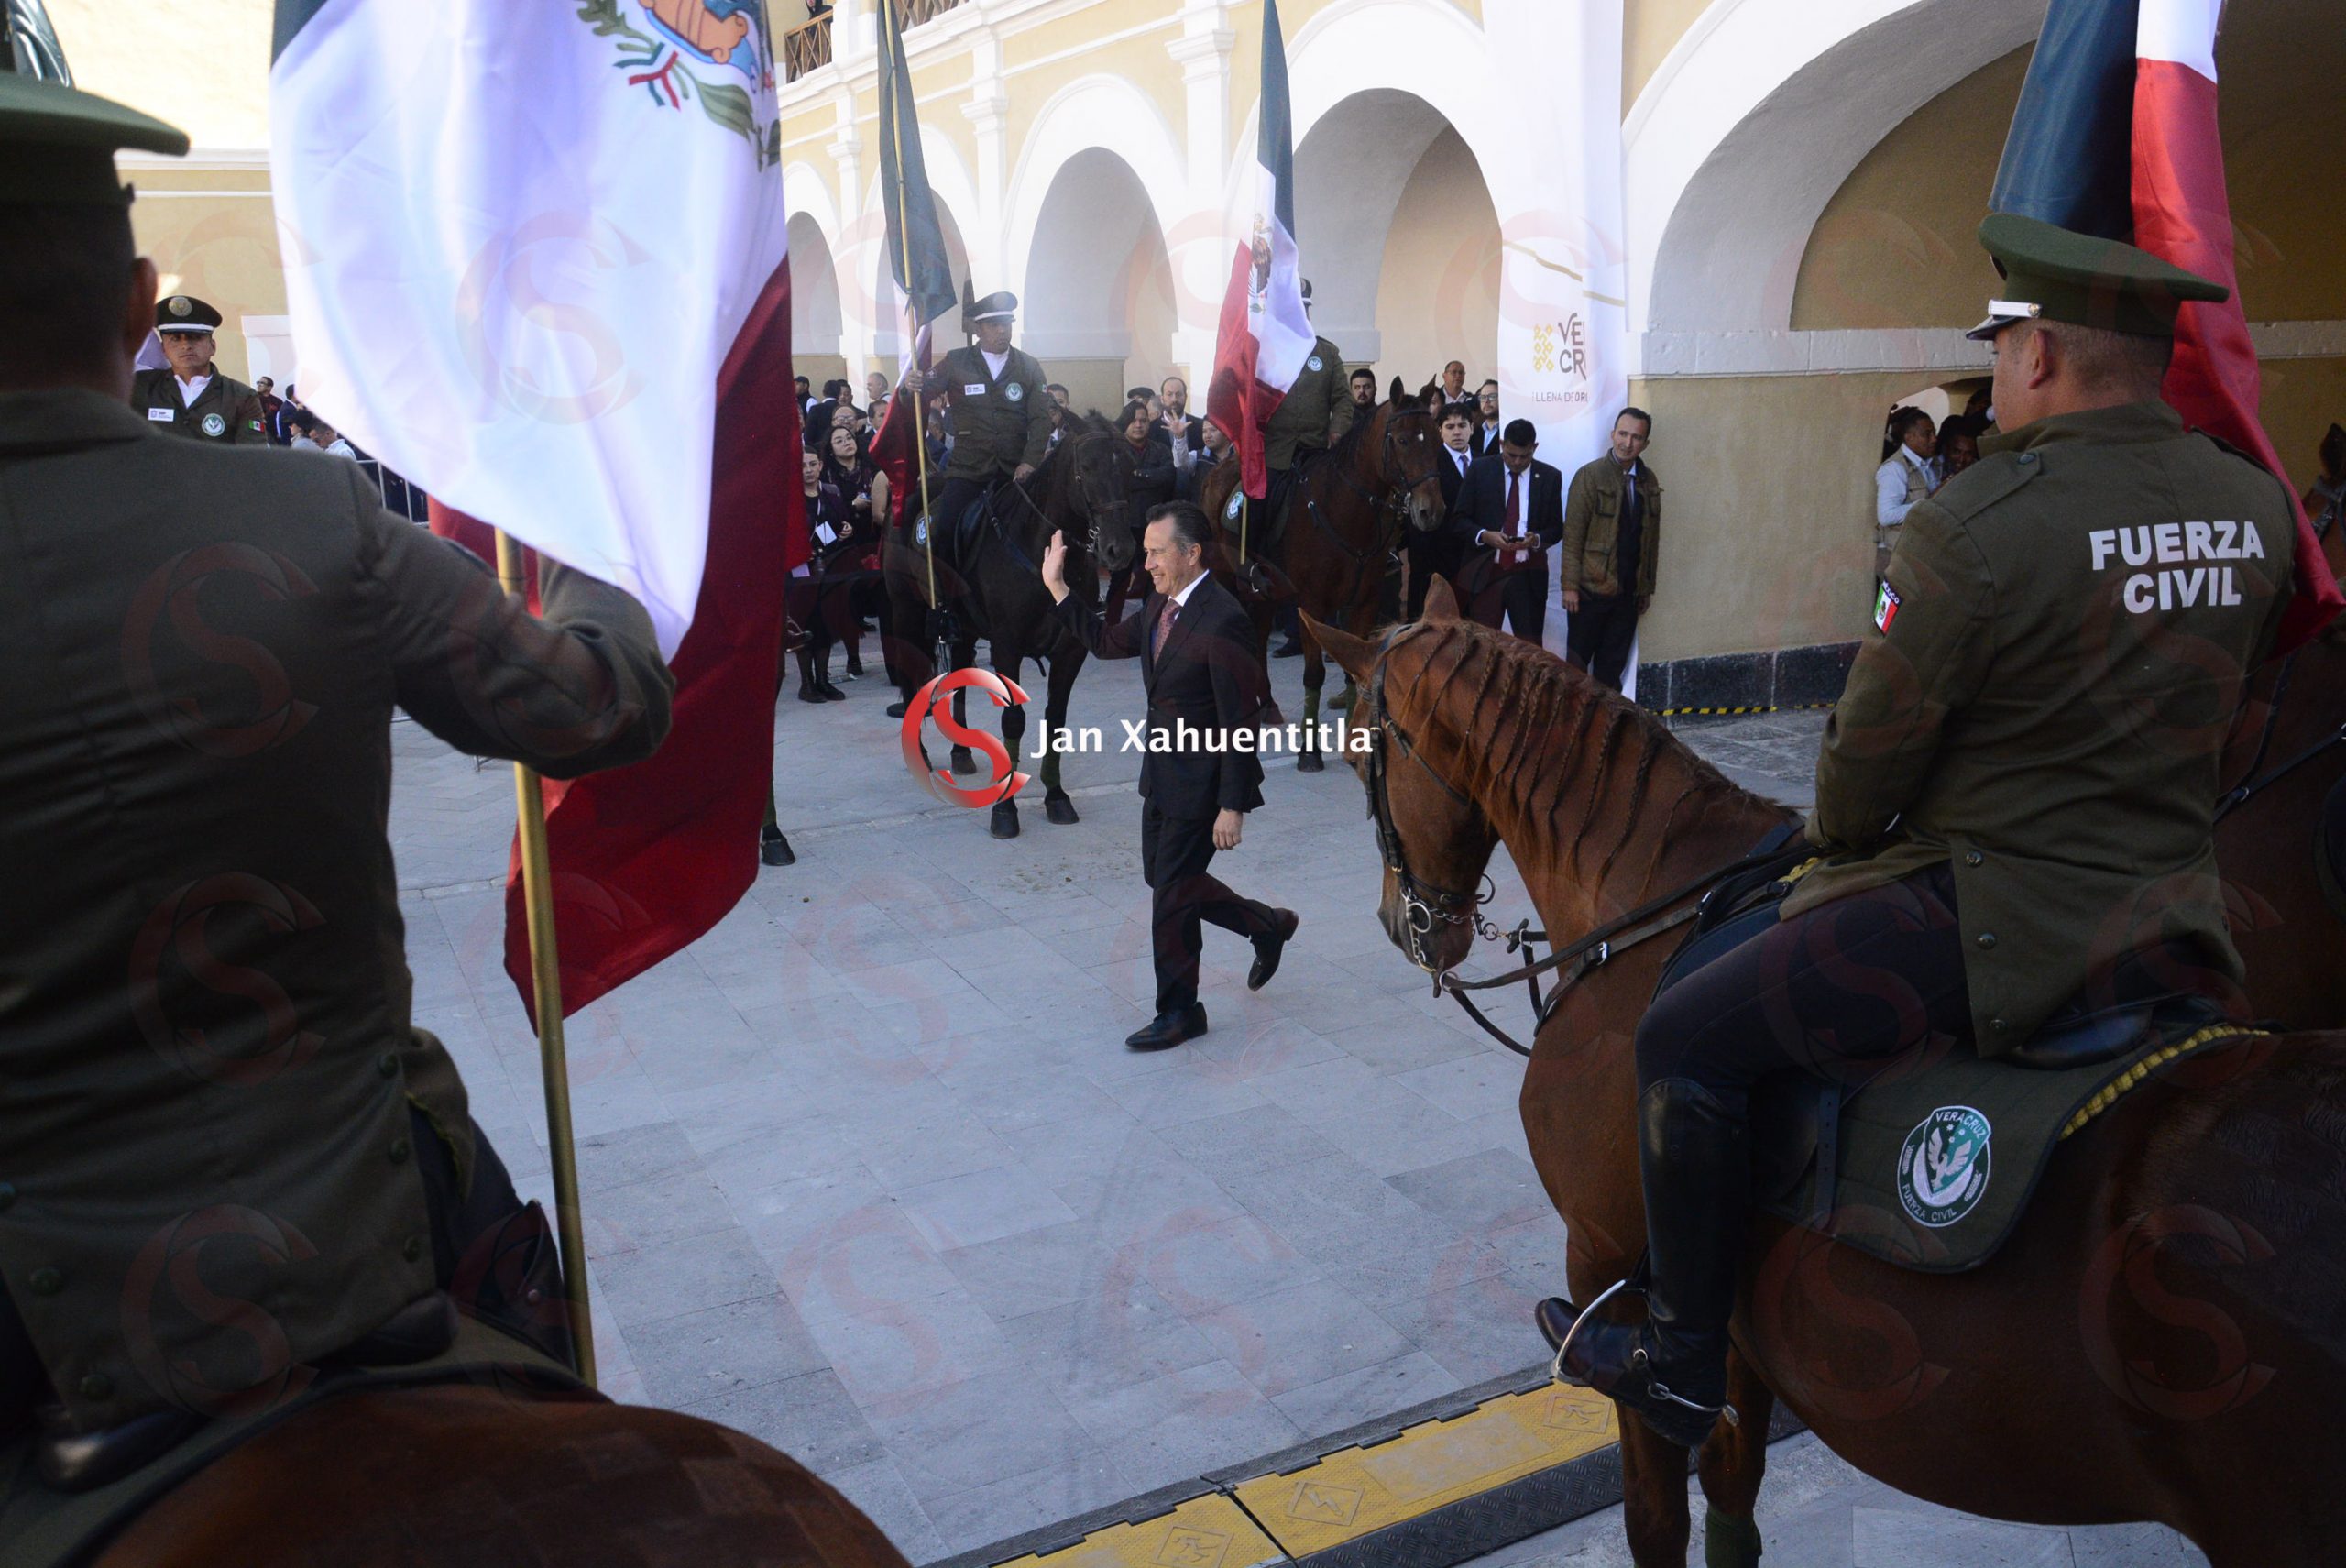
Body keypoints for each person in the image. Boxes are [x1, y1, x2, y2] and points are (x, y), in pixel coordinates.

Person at [0, 73, 674, 1453]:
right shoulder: (312, 512)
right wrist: (599, 519)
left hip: (42, 1310)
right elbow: (597, 706)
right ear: (137, 306)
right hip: (368, 1227)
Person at [1541, 214, 2288, 1450]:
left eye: (2000, 347)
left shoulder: (1976, 525)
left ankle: (1681, 1357)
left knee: (1682, 1029)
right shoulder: (2254, 505)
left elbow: (1862, 777)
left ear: (2040, 351)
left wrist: (1840, 827)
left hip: (1993, 918)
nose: (1995, 371)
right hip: (2172, 907)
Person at [1041, 503, 1298, 1051]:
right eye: (1148, 551)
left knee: (1170, 900)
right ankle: (1265, 925)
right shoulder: (1162, 601)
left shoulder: (1223, 618)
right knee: (1169, 884)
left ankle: (1180, 1011)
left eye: (1157, 552)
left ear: (1191, 553)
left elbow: (1240, 718)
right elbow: (1109, 643)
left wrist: (1232, 805)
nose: (1148, 562)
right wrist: (1059, 588)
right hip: (1159, 774)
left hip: (1202, 787)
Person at [908, 289, 1052, 558]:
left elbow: (1041, 419)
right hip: (969, 470)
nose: (1002, 332)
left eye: (1006, 325)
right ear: (978, 329)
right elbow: (922, 391)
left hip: (1015, 472)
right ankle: (947, 594)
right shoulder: (956, 361)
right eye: (994, 325)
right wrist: (911, 385)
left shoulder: (1028, 366)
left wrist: (1030, 461)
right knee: (945, 531)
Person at [1559, 408, 1661, 690]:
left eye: (1636, 437)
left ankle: (1605, 729)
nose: (1627, 443)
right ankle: (1571, 729)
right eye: (1623, 434)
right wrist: (1570, 587)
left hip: (1628, 594)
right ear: (1612, 434)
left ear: (1645, 444)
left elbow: (1652, 539)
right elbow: (1573, 536)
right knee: (1576, 670)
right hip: (1590, 591)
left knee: (1611, 669)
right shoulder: (1590, 476)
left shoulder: (1648, 480)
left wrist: (1646, 588)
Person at [129, 293, 267, 444]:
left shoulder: (241, 397)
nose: (186, 345)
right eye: (175, 339)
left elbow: (250, 457)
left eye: (195, 337)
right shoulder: (140, 387)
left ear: (213, 347)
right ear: (163, 349)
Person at [820, 423, 891, 680]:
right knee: (849, 604)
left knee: (884, 600)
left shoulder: (871, 468)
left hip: (875, 540)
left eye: (848, 437)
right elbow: (828, 516)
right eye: (838, 440)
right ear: (831, 449)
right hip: (846, 543)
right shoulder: (826, 476)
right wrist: (853, 506)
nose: (846, 442)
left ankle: (892, 658)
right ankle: (853, 658)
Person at [1106, 399, 1178, 625]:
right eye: (1134, 420)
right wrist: (1149, 477)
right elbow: (1114, 481)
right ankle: (1111, 625)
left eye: (1144, 420)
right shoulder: (1113, 453)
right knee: (1119, 578)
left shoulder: (1161, 450)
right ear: (1125, 424)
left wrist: (1136, 475)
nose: (1139, 425)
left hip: (1153, 527)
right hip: (1124, 528)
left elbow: (1167, 476)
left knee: (1153, 579)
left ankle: (1151, 624)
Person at [792, 448, 850, 702]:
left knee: (826, 623)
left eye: (812, 464)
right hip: (800, 569)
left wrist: (846, 530)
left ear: (820, 465)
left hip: (828, 565)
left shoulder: (831, 493)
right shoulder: (791, 497)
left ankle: (824, 679)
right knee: (805, 625)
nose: (808, 470)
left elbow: (840, 524)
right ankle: (807, 683)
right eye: (803, 465)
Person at [1406, 403, 1474, 620]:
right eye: (1450, 426)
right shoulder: (1427, 464)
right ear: (1439, 431)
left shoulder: (1485, 463)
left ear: (1472, 428)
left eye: (1462, 425)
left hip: (1473, 558)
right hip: (1435, 558)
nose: (1457, 432)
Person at [1875, 404, 1939, 580]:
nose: (1934, 439)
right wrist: (1929, 503)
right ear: (1909, 437)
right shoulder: (1895, 469)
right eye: (1927, 434)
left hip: (1920, 554)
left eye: (1934, 433)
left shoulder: (1930, 464)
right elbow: (1886, 515)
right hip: (1897, 555)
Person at [1935, 414, 1981, 481]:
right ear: (1945, 449)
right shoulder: (1932, 468)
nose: (1962, 459)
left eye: (1968, 453)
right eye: (1957, 452)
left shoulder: (1979, 469)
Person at [1472, 379, 1502, 459]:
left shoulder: (1508, 430)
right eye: (1483, 397)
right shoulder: (1473, 433)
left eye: (1492, 396)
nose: (1486, 401)